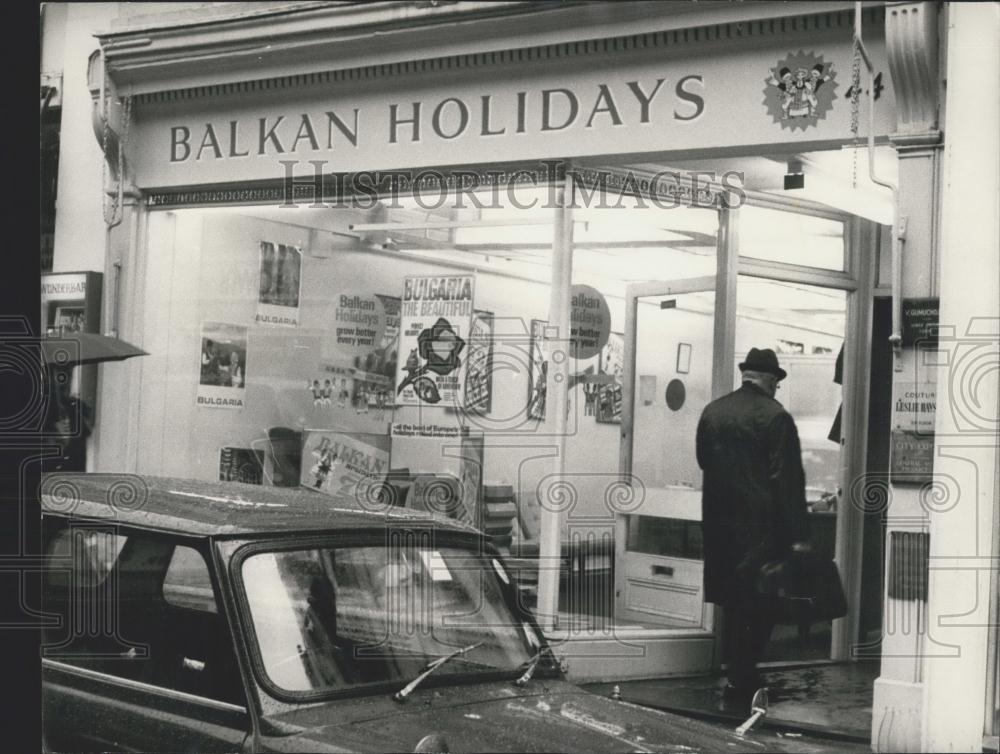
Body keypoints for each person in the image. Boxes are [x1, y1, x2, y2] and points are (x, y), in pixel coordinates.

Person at [695, 347, 810, 709]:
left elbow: (703, 460)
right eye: (776, 382)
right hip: (761, 528)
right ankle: (744, 678)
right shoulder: (776, 417)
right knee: (761, 605)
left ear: (747, 376)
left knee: (733, 603)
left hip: (720, 525)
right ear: (771, 380)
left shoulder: (712, 412)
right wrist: (799, 534)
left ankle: (737, 674)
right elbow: (787, 480)